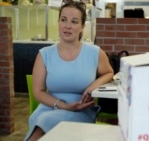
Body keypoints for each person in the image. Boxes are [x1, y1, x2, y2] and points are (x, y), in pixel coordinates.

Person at [24, 0, 114, 140]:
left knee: (42, 125)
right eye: (63, 20)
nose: (67, 26)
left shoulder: (95, 53)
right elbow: (38, 92)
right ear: (58, 22)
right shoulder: (44, 54)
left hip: (81, 111)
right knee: (42, 121)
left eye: (74, 21)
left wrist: (92, 86)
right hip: (49, 107)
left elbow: (109, 73)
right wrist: (63, 106)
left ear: (83, 26)